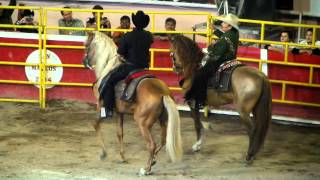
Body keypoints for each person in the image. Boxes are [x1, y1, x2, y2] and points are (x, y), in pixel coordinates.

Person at [100, 10, 153, 118]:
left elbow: (120, 54)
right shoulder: (149, 36)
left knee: (108, 81)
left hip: (130, 67)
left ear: (134, 22)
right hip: (144, 68)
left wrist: (123, 57)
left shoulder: (127, 36)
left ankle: (108, 109)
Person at [184, 13, 239, 107]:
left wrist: (209, 50)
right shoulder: (234, 34)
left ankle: (200, 100)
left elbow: (218, 53)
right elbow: (224, 37)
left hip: (222, 59)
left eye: (224, 22)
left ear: (229, 26)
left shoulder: (226, 37)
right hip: (231, 59)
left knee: (200, 75)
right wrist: (215, 30)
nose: (222, 23)